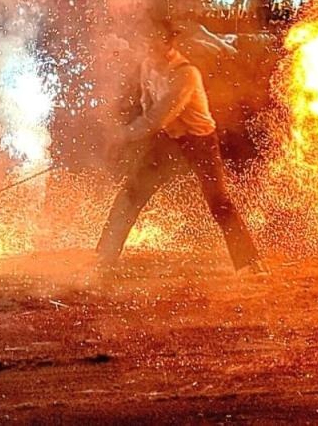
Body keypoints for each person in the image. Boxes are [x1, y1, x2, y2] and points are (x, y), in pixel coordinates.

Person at [97, 27, 262, 276]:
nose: (149, 45)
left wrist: (123, 136)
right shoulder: (148, 66)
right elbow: (147, 105)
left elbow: (157, 117)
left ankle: (249, 264)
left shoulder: (186, 74)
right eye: (147, 39)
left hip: (200, 141)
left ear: (168, 43)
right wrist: (135, 138)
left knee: (219, 202)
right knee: (131, 192)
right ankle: (104, 257)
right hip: (169, 139)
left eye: (154, 40)